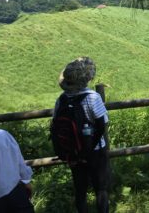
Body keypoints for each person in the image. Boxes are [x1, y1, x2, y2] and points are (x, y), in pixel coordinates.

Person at [54, 57, 110, 213]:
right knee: (101, 189)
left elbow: (55, 125)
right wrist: (89, 149)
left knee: (80, 191)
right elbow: (102, 125)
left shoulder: (62, 99)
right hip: (95, 150)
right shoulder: (92, 97)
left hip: (73, 152)